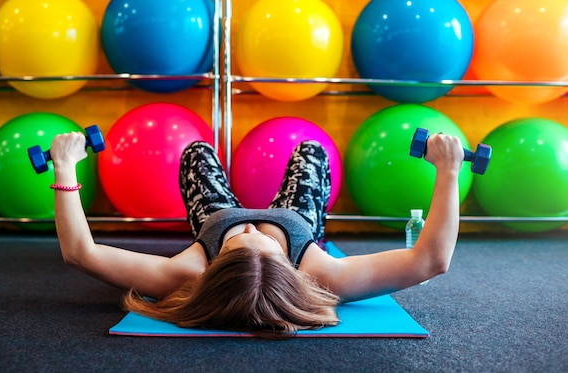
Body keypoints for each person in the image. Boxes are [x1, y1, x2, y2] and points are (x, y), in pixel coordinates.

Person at [49, 131, 464, 338]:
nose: (249, 225)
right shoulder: (320, 272)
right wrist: (448, 169)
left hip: (216, 215)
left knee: (196, 152)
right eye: (254, 235)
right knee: (312, 151)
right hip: (296, 216)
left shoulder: (189, 270)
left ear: (213, 268)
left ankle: (219, 214)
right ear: (288, 267)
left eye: (238, 239)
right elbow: (431, 261)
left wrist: (66, 165)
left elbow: (80, 253)